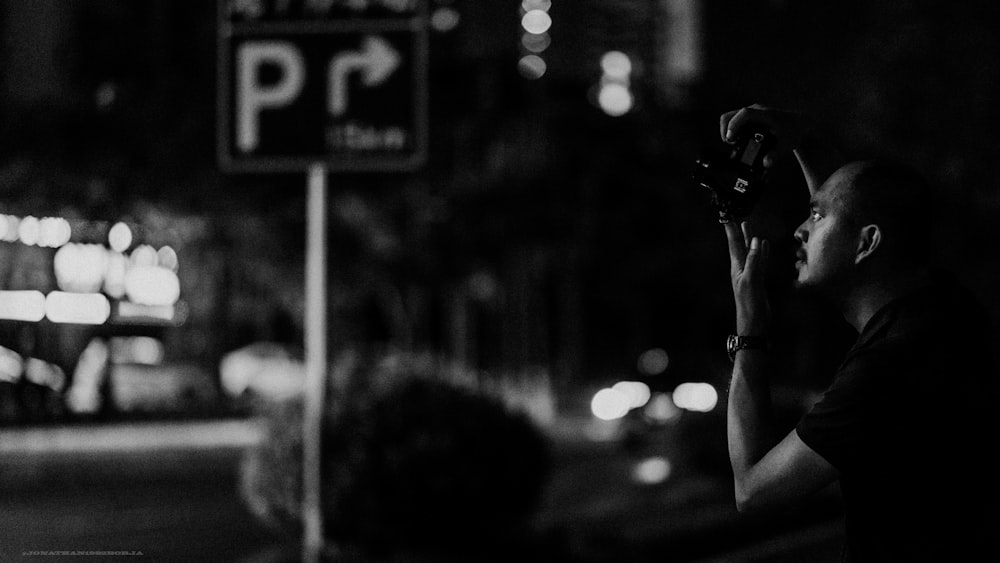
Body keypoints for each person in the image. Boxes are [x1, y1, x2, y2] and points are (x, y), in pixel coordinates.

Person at [719, 104, 999, 562]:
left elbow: (753, 491)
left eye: (814, 216)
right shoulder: (944, 309)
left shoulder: (888, 367)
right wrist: (800, 140)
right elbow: (852, 208)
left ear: (868, 243)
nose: (798, 230)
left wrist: (749, 331)